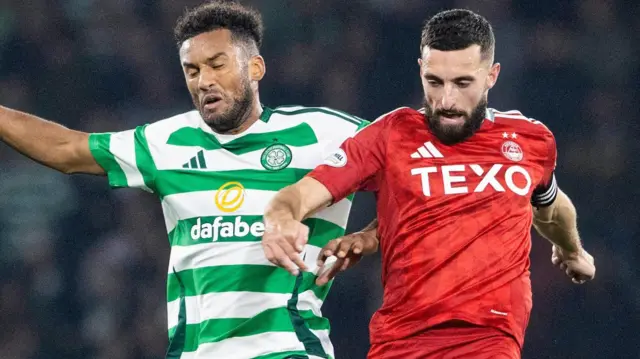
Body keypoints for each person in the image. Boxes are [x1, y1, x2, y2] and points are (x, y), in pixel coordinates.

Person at [0, 1, 377, 358]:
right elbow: (68, 149)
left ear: (256, 67)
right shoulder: (166, 142)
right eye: (193, 71)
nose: (204, 81)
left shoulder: (324, 132)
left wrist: (371, 235)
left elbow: (412, 164)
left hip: (289, 349)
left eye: (217, 65)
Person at [261, 9, 596, 359]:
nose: (447, 101)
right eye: (434, 82)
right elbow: (301, 194)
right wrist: (281, 221)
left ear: (491, 76)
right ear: (420, 69)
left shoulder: (531, 141)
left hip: (487, 341)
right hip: (400, 343)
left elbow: (550, 204)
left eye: (462, 83)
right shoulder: (390, 135)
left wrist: (572, 250)